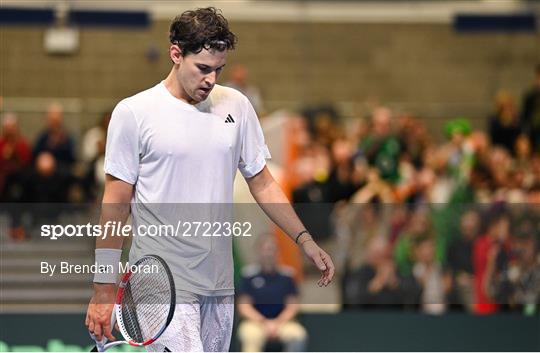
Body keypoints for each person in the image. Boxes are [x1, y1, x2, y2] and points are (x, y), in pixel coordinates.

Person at [85, 7, 334, 352]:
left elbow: (261, 182)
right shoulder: (133, 113)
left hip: (219, 285)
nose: (211, 80)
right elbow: (115, 204)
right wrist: (103, 287)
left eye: (219, 70)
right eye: (203, 68)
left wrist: (303, 239)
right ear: (176, 53)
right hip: (159, 282)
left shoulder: (237, 106)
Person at [237, 236, 308, 352]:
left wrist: (277, 323)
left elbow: (293, 306)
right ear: (258, 252)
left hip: (283, 323)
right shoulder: (248, 276)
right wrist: (264, 322)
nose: (268, 253)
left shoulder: (287, 276)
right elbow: (244, 307)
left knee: (298, 335)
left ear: (277, 253)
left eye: (272, 250)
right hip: (255, 323)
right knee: (250, 336)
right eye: (265, 249)